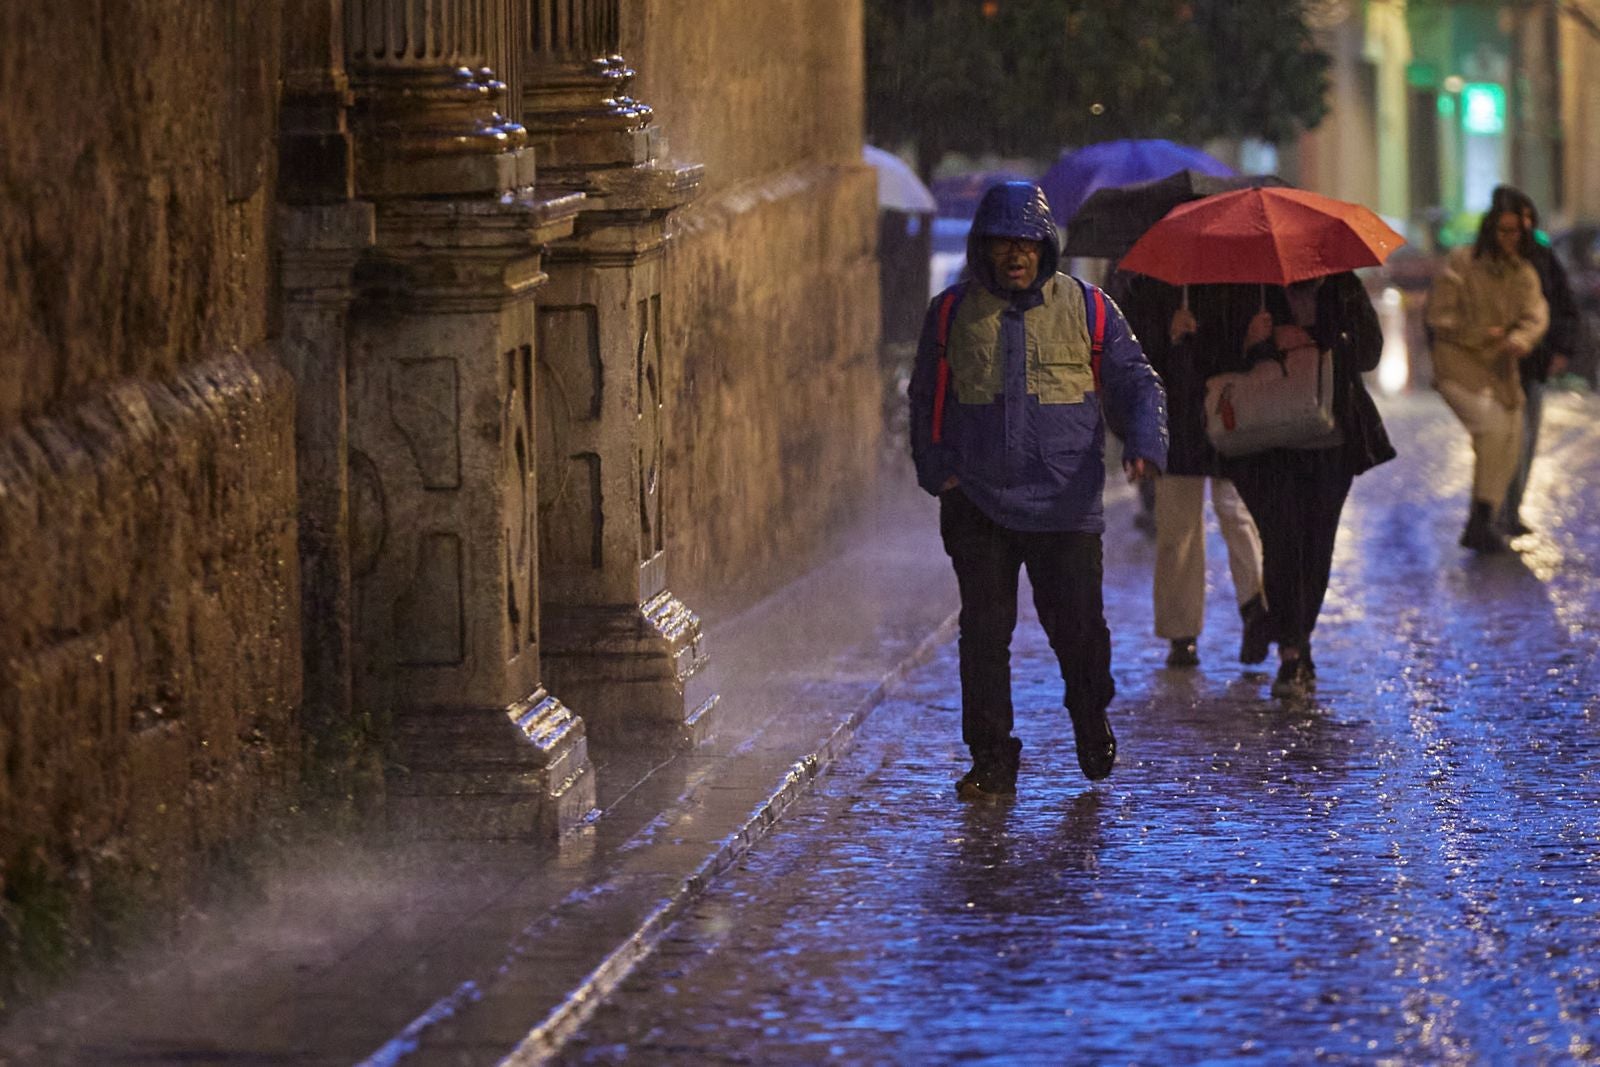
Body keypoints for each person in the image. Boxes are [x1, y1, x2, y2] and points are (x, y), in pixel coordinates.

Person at [908, 181, 1168, 798]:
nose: (1016, 255)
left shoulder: (1091, 308)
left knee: (1079, 631)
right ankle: (993, 756)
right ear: (984, 248)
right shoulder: (950, 314)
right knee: (984, 637)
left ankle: (1088, 713)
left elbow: (1137, 383)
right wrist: (937, 471)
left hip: (1066, 507)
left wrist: (1144, 443)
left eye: (1027, 243)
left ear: (1044, 247)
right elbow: (924, 400)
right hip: (978, 503)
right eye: (1003, 244)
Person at [1198, 273, 1396, 698]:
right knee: (1282, 540)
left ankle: (1294, 637)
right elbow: (1209, 358)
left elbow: (1369, 352)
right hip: (1263, 441)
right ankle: (1292, 653)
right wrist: (1251, 342)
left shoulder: (1341, 286)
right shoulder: (1245, 288)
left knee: (1316, 544)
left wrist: (1313, 337)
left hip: (1330, 439)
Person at [1111, 271, 1269, 670]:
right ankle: (1181, 634)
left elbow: (1256, 351)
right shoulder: (1150, 281)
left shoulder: (1243, 277)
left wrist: (1248, 340)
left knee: (1237, 513)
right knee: (1177, 526)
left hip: (1230, 410)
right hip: (1176, 418)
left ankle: (1257, 610)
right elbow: (1129, 357)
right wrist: (1169, 335)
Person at [1426, 205, 1550, 553]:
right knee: (1492, 428)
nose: (1510, 239)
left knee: (1512, 435)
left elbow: (1535, 315)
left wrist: (1519, 340)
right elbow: (1441, 315)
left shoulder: (1522, 272)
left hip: (1500, 370)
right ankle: (1481, 518)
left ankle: (1485, 516)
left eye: (1517, 232)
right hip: (1459, 366)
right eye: (1504, 231)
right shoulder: (1462, 264)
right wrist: (1481, 333)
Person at [1487, 185, 1581, 537]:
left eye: (1525, 220)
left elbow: (1562, 307)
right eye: (1510, 224)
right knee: (1498, 440)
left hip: (1531, 363)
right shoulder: (1481, 262)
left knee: (1525, 438)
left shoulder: (1541, 258)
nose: (1519, 230)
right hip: (1493, 368)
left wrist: (1560, 349)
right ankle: (1494, 511)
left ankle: (1511, 510)